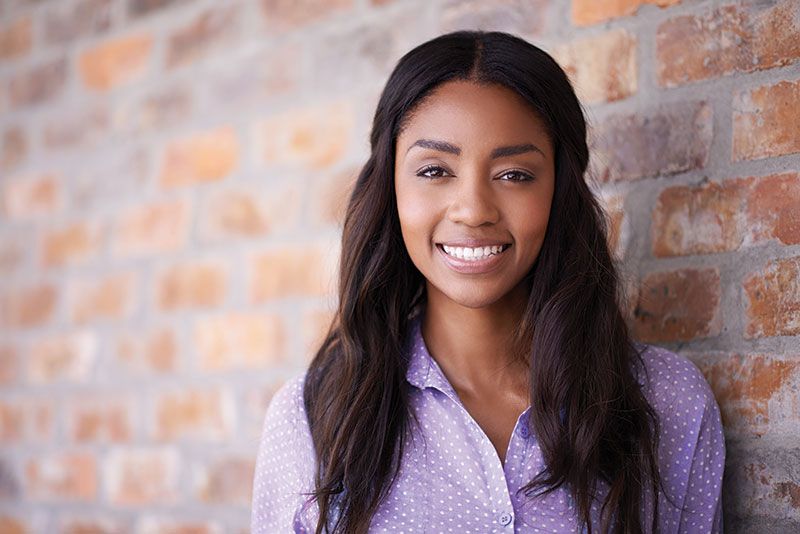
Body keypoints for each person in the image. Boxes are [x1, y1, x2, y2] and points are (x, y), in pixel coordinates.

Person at [251, 30, 725, 534]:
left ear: (559, 192)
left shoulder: (667, 402)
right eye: (434, 170)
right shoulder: (311, 419)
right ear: (390, 187)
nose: (474, 210)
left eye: (515, 175)